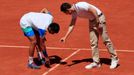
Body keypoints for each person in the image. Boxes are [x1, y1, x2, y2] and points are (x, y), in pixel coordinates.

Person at [60, 2, 119, 69]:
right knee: (93, 42)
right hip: (91, 21)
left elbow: (93, 10)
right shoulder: (74, 13)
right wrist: (65, 37)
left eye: (65, 13)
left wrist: (98, 23)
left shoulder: (80, 5)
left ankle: (115, 59)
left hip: (99, 18)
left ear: (68, 9)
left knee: (106, 40)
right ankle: (96, 62)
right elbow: (72, 25)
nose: (66, 14)